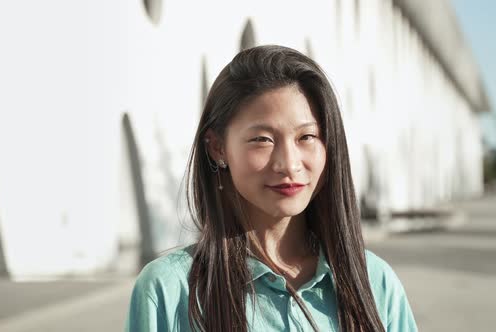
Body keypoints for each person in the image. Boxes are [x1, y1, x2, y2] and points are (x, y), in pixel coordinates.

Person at [125, 45, 418, 332]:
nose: (289, 165)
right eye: (262, 139)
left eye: (307, 136)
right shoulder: (169, 291)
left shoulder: (374, 283)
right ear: (217, 148)